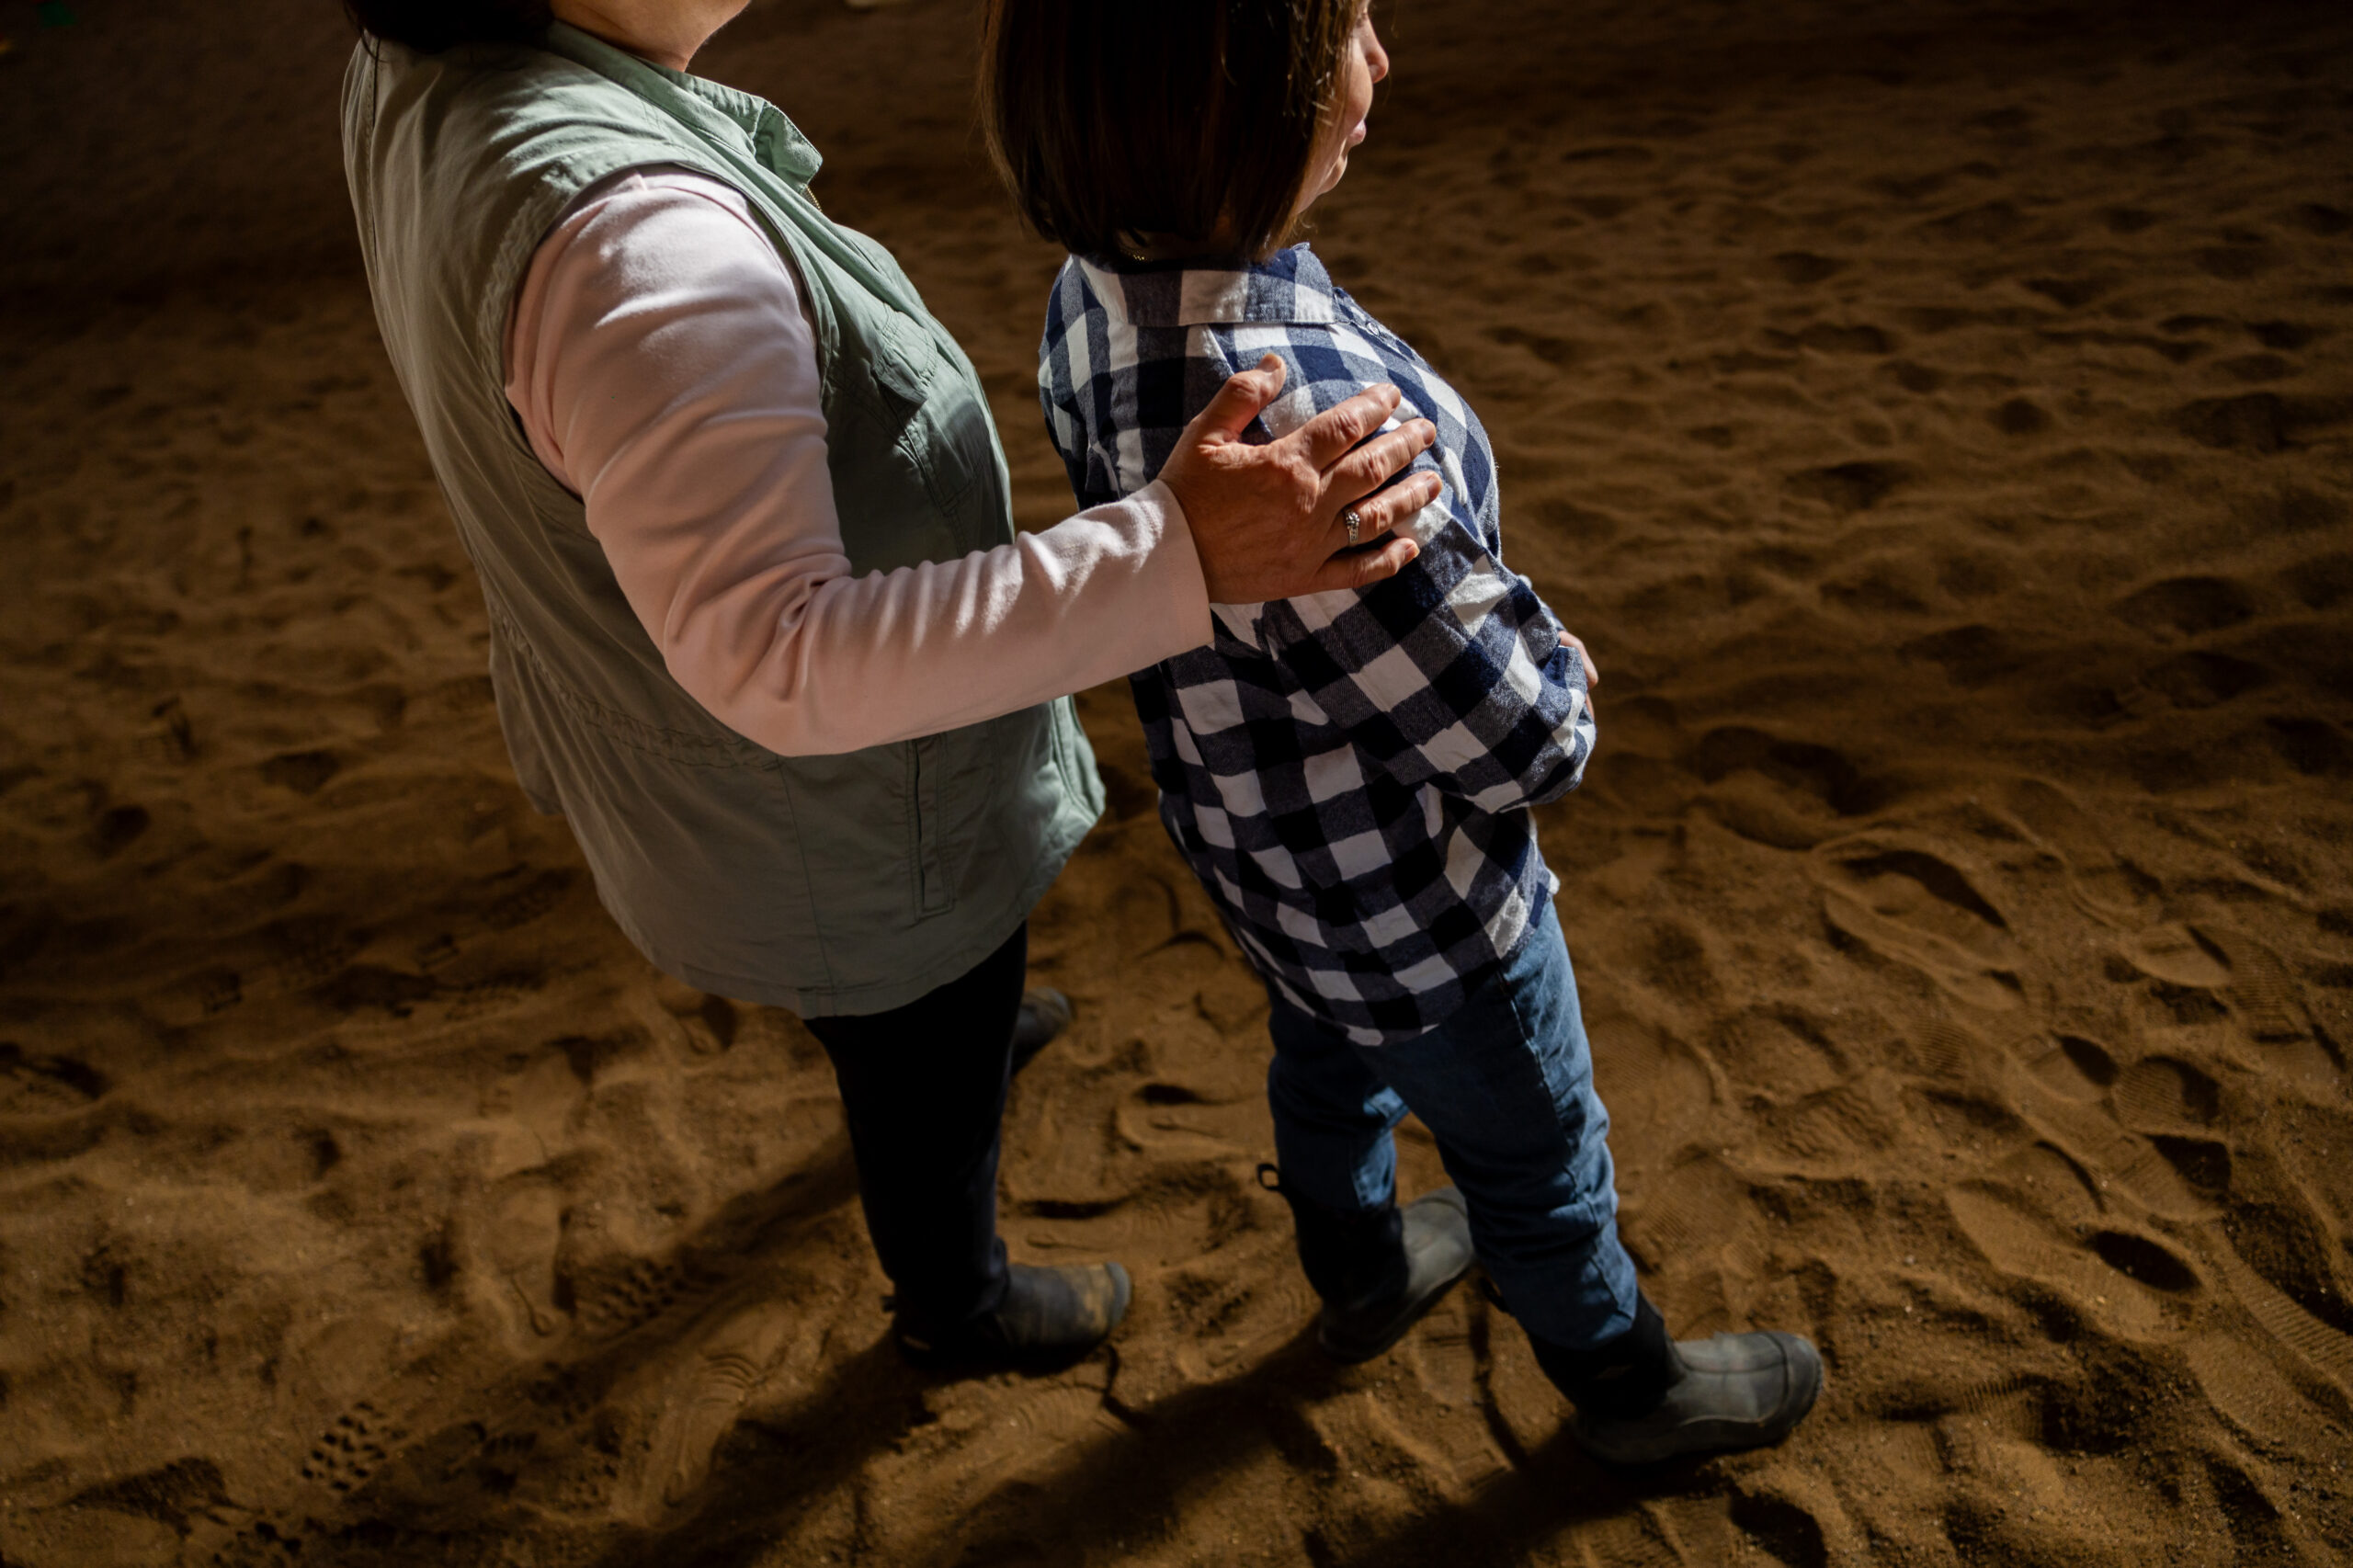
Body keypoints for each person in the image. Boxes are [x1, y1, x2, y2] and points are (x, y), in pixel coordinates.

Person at [338, 0, 1447, 1371]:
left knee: (917, 1019)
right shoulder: (645, 246)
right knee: (918, 1030)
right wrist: (1177, 549)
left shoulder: (415, 68)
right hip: (842, 816)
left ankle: (935, 1048)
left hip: (675, 760)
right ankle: (956, 1303)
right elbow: (783, 656)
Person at [981, 0, 1825, 1460]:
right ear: (1223, 96)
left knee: (1323, 1052)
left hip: (1266, 847)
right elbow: (1514, 739)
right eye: (1348, 31)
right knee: (1540, 1147)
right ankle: (1620, 1385)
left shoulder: (1099, 292)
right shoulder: (1302, 435)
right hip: (1426, 902)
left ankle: (1358, 1269)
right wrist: (1560, 679)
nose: (1381, 61)